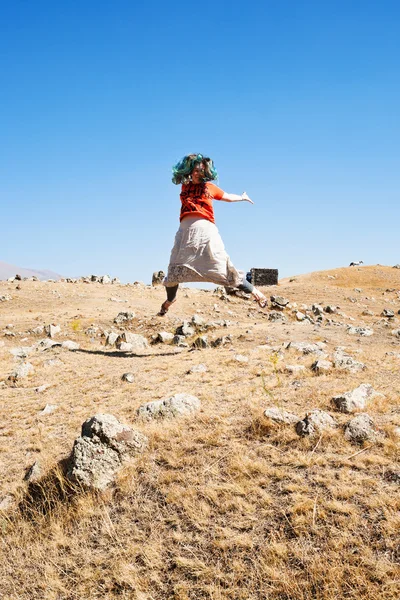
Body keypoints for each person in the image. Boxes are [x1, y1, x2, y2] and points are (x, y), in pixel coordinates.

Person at [159, 153, 268, 315]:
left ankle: (256, 293)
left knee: (221, 265)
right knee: (174, 270)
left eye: (201, 171)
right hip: (185, 233)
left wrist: (242, 197)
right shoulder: (185, 186)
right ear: (190, 170)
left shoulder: (210, 187)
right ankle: (169, 301)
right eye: (195, 170)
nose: (198, 173)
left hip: (206, 232)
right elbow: (181, 174)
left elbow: (227, 197)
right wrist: (191, 159)